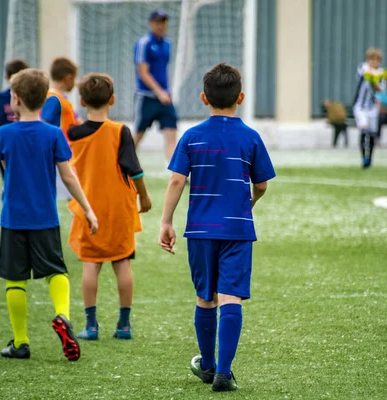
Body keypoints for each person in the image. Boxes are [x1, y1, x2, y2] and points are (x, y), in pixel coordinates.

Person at [159, 63, 276, 392]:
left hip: (200, 230)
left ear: (202, 98)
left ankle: (208, 366)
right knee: (231, 298)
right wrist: (249, 203)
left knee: (205, 298)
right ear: (240, 97)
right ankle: (224, 372)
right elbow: (263, 184)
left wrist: (166, 221)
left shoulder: (191, 137)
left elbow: (176, 181)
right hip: (237, 231)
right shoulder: (251, 137)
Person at [0, 68, 98, 360]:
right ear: (44, 99)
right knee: (56, 271)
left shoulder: (4, 134)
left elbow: (5, 169)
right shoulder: (53, 134)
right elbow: (68, 177)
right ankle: (62, 316)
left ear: (15, 98)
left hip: (13, 218)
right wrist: (88, 209)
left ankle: (20, 342)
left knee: (15, 279)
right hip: (45, 218)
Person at [67, 73, 152, 341]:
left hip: (87, 208)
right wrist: (145, 197)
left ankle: (91, 326)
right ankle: (124, 325)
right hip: (119, 209)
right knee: (122, 262)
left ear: (81, 101)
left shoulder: (73, 134)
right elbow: (134, 170)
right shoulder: (120, 132)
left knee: (90, 264)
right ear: (112, 100)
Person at [133, 9, 178, 165]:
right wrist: (159, 92)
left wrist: (166, 92)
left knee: (171, 132)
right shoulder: (143, 43)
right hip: (147, 97)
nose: (161, 26)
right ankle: (123, 165)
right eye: (158, 22)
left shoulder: (167, 44)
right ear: (151, 23)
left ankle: (176, 170)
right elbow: (143, 73)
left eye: (164, 22)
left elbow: (162, 71)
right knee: (138, 134)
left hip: (165, 97)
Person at [41, 57, 80, 200]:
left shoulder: (62, 99)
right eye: (74, 79)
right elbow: (44, 123)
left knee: (75, 195)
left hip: (66, 152)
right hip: (59, 154)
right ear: (68, 78)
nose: (75, 84)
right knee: (74, 194)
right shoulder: (53, 99)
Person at [0, 58, 29, 177]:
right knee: (7, 178)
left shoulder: (30, 98)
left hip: (21, 141)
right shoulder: (0, 97)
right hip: (5, 141)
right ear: (7, 78)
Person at [353, 48, 387, 168]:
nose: (373, 62)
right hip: (360, 106)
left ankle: (370, 159)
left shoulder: (381, 73)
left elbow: (381, 89)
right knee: (363, 129)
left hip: (372, 108)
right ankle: (363, 158)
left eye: (376, 59)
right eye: (371, 59)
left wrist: (375, 82)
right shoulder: (363, 68)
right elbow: (365, 74)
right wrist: (373, 77)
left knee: (372, 133)